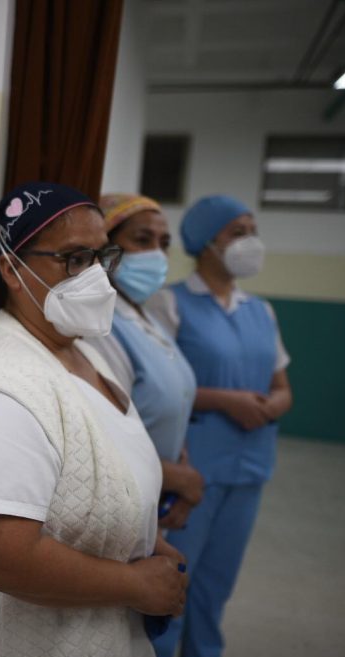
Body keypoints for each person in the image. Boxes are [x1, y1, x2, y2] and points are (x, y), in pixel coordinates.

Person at [0, 182, 188, 657]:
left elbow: (102, 472)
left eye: (103, 256)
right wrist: (133, 584)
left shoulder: (87, 353)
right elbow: (2, 558)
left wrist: (144, 541)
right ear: (13, 269)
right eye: (75, 259)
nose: (98, 276)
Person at [144, 195, 293, 657]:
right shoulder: (171, 304)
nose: (250, 242)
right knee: (175, 585)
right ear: (205, 242)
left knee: (215, 591)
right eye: (237, 232)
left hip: (249, 470)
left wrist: (273, 404)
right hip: (193, 473)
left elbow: (282, 386)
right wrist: (228, 401)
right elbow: (159, 385)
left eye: (253, 229)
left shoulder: (261, 312)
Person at [86, 194, 205, 531]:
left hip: (158, 492)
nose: (156, 252)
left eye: (164, 243)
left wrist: (178, 467)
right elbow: (101, 443)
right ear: (104, 246)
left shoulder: (147, 315)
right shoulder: (98, 325)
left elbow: (175, 401)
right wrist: (178, 478)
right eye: (142, 239)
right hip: (116, 501)